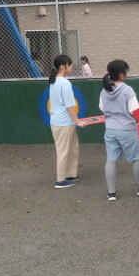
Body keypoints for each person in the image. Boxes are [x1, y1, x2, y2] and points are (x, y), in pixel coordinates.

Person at [99, 59, 139, 201]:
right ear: (121, 74)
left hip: (110, 129)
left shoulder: (104, 90)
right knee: (136, 159)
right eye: (125, 71)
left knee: (111, 160)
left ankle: (111, 193)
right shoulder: (127, 90)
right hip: (127, 130)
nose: (127, 73)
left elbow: (102, 108)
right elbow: (135, 110)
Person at [48, 54, 87, 189]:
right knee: (64, 151)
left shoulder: (55, 81)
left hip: (62, 122)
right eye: (69, 65)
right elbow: (69, 105)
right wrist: (77, 121)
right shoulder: (64, 83)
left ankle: (70, 174)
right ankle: (60, 180)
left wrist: (74, 121)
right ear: (62, 66)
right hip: (63, 123)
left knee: (72, 149)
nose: (71, 67)